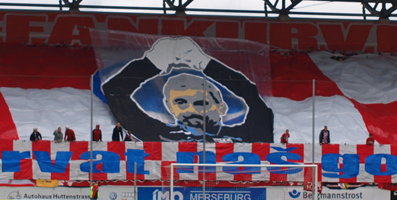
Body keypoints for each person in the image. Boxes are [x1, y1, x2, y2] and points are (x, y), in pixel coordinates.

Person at [101, 37, 274, 142]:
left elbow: (253, 99)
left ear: (221, 106)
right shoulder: (158, 134)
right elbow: (115, 91)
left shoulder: (243, 135)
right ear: (170, 108)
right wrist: (150, 64)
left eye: (201, 102)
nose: (192, 109)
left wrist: (205, 64)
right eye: (181, 103)